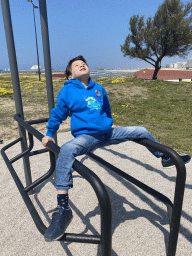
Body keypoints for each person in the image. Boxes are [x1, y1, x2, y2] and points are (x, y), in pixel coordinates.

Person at [42, 55, 191, 242]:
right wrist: (49, 133)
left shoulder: (99, 89)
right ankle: (63, 209)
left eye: (84, 63)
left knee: (141, 130)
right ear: (70, 75)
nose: (82, 65)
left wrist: (110, 123)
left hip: (108, 133)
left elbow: (106, 110)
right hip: (87, 137)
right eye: (76, 65)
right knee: (66, 150)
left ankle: (163, 156)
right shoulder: (68, 91)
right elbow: (57, 114)